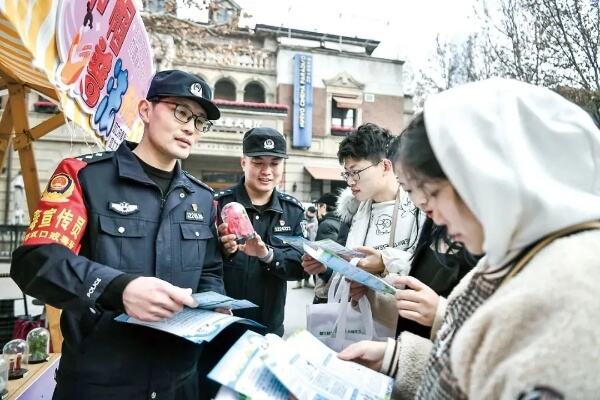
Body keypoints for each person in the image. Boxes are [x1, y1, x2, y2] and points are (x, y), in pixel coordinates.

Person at [338, 79, 600, 399]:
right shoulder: (507, 253)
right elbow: (475, 366)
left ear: (489, 175)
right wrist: (397, 359)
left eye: (432, 193)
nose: (430, 214)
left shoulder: (575, 284)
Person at [11, 70, 226, 399]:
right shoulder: (86, 176)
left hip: (179, 382)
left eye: (199, 121)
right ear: (145, 110)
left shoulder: (201, 198)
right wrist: (118, 288)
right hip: (100, 384)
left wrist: (213, 304)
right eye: (181, 112)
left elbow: (210, 270)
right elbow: (36, 260)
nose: (190, 127)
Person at [303, 123, 421, 336]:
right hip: (353, 321)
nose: (350, 182)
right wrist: (324, 265)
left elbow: (425, 270)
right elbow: (344, 266)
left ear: (386, 166)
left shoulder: (419, 208)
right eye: (347, 174)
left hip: (398, 330)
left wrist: (385, 263)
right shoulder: (352, 211)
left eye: (356, 172)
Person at [387, 134, 478, 339]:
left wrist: (441, 313)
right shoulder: (434, 226)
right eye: (408, 189)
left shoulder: (489, 243)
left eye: (427, 187)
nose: (420, 200)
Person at [216, 127, 305, 336]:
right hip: (222, 326)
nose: (267, 171)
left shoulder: (292, 211)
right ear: (243, 162)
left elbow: (300, 267)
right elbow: (200, 264)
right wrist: (223, 250)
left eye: (274, 163)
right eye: (258, 163)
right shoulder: (218, 205)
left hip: (269, 330)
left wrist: (267, 255)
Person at [311, 192, 342, 304]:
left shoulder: (326, 224)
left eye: (318, 206)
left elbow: (327, 256)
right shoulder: (341, 221)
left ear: (323, 206)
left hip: (327, 285)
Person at [294, 206, 318, 288]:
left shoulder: (315, 219)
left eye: (313, 214)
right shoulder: (302, 217)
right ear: (307, 211)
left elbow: (315, 232)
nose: (311, 215)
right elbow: (299, 229)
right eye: (310, 213)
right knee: (300, 262)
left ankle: (307, 281)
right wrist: (307, 227)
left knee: (309, 263)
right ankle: (299, 282)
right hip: (302, 244)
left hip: (311, 244)